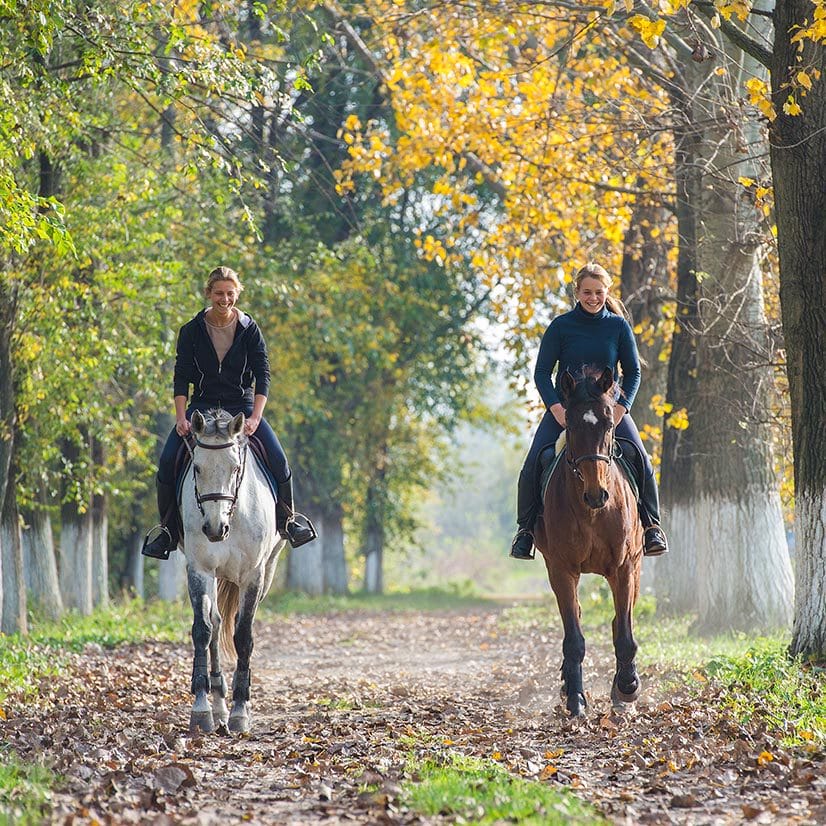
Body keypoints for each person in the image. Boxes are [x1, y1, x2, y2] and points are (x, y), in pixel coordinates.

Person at [142, 266, 316, 559]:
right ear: (209, 293)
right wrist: (181, 417)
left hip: (242, 407)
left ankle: (288, 521)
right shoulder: (191, 331)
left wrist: (256, 417)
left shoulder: (250, 329)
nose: (224, 299)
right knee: (168, 460)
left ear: (237, 294)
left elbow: (263, 374)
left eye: (230, 293)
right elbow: (181, 375)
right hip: (202, 405)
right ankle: (168, 532)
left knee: (279, 460)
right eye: (219, 293)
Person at [510, 262, 668, 560]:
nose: (593, 298)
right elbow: (542, 373)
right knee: (533, 462)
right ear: (577, 293)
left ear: (606, 292)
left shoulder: (618, 326)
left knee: (641, 458)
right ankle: (525, 532)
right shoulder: (561, 326)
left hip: (609, 411)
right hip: (566, 410)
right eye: (587, 292)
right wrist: (556, 409)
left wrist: (623, 408)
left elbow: (633, 372)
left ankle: (651, 527)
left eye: (598, 292)